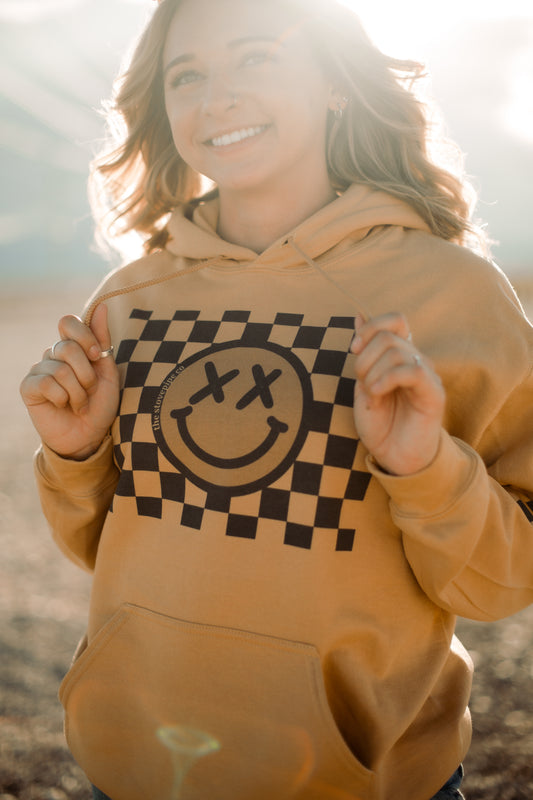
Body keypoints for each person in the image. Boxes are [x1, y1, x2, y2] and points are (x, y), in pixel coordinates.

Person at [20, 0, 533, 798]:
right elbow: (108, 550)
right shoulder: (131, 299)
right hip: (134, 773)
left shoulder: (453, 296)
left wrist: (425, 466)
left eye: (256, 57)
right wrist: (76, 455)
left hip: (360, 780)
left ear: (335, 81)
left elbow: (503, 581)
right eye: (185, 75)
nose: (215, 97)